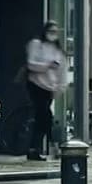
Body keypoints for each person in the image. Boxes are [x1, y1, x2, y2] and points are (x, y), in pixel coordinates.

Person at [24, 21, 67, 161]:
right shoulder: (36, 44)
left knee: (42, 119)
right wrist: (47, 65)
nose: (53, 35)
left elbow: (62, 73)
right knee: (46, 116)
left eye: (55, 32)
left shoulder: (58, 51)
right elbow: (31, 64)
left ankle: (34, 148)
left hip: (49, 88)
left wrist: (59, 88)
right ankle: (52, 146)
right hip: (36, 85)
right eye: (50, 31)